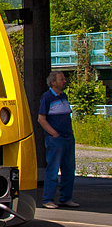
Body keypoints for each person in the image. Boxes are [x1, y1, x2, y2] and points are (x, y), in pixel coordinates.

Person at [38, 70, 79, 209]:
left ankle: (65, 198)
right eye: (61, 79)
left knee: (69, 169)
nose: (64, 81)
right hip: (56, 139)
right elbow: (41, 119)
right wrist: (53, 133)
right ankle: (47, 199)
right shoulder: (47, 97)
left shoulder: (64, 96)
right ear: (53, 82)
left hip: (68, 137)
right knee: (53, 170)